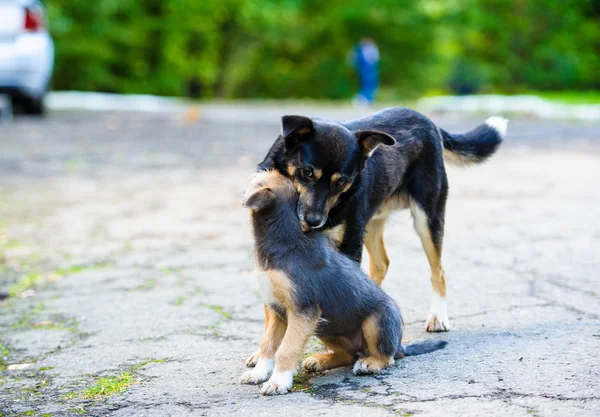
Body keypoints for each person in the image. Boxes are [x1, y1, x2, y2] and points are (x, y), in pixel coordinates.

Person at [352, 38, 380, 106]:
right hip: (367, 70)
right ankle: (366, 100)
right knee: (368, 85)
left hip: (367, 70)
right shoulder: (367, 49)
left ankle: (367, 100)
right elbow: (375, 58)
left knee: (368, 85)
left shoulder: (360, 50)